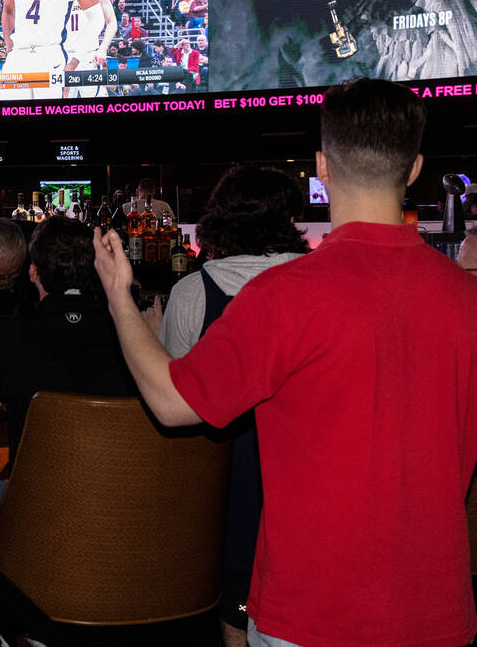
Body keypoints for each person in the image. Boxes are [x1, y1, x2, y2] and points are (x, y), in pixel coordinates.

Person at [91, 78, 477, 647]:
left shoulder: (283, 296)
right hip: (438, 617)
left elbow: (173, 404)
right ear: (415, 169)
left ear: (322, 166)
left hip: (308, 618)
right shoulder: (465, 298)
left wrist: (121, 297)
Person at [156, 165, 310, 647]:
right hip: (305, 489)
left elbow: (172, 404)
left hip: (225, 497)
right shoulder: (314, 283)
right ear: (288, 219)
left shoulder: (192, 293)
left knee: (237, 598)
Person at [0, 216, 135, 557]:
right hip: (120, 505)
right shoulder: (129, 335)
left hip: (40, 510)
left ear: (32, 271)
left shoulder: (7, 336)